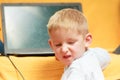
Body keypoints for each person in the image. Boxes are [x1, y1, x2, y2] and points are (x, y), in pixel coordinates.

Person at [47, 8, 110, 80]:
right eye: (58, 45)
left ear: (87, 40)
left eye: (71, 43)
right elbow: (105, 55)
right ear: (51, 45)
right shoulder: (92, 55)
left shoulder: (76, 70)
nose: (64, 50)